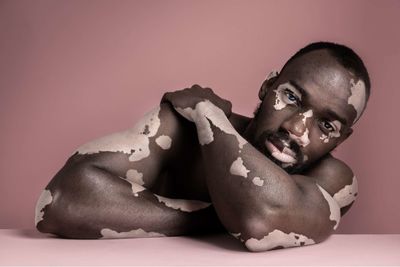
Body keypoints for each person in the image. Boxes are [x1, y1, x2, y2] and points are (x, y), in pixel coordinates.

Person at [35, 42, 370, 252]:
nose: (296, 129)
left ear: (342, 140)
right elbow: (59, 202)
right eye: (291, 97)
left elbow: (259, 223)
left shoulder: (336, 182)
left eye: (326, 126)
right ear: (268, 86)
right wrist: (220, 214)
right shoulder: (179, 128)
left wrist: (209, 115)